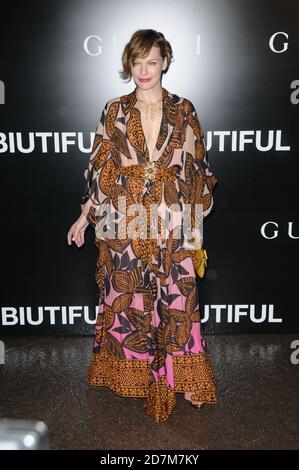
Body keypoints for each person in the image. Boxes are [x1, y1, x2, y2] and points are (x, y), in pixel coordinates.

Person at [67, 29, 218, 423]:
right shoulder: (114, 110)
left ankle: (187, 380)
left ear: (165, 61)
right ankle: (136, 374)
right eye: (137, 62)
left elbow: (198, 169)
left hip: (173, 219)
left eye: (151, 61)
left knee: (180, 301)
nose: (144, 70)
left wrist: (194, 222)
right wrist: (86, 214)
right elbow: (101, 167)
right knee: (130, 299)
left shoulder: (184, 110)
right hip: (125, 218)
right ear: (129, 65)